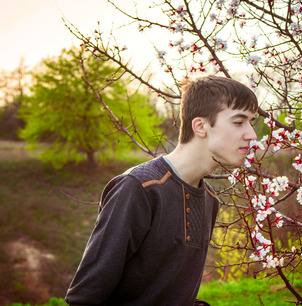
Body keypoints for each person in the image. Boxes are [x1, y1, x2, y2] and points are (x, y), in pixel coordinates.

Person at [65, 75, 258, 305]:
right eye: (239, 122)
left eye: (251, 123)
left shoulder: (209, 201)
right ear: (200, 126)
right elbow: (84, 298)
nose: (252, 135)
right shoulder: (139, 188)